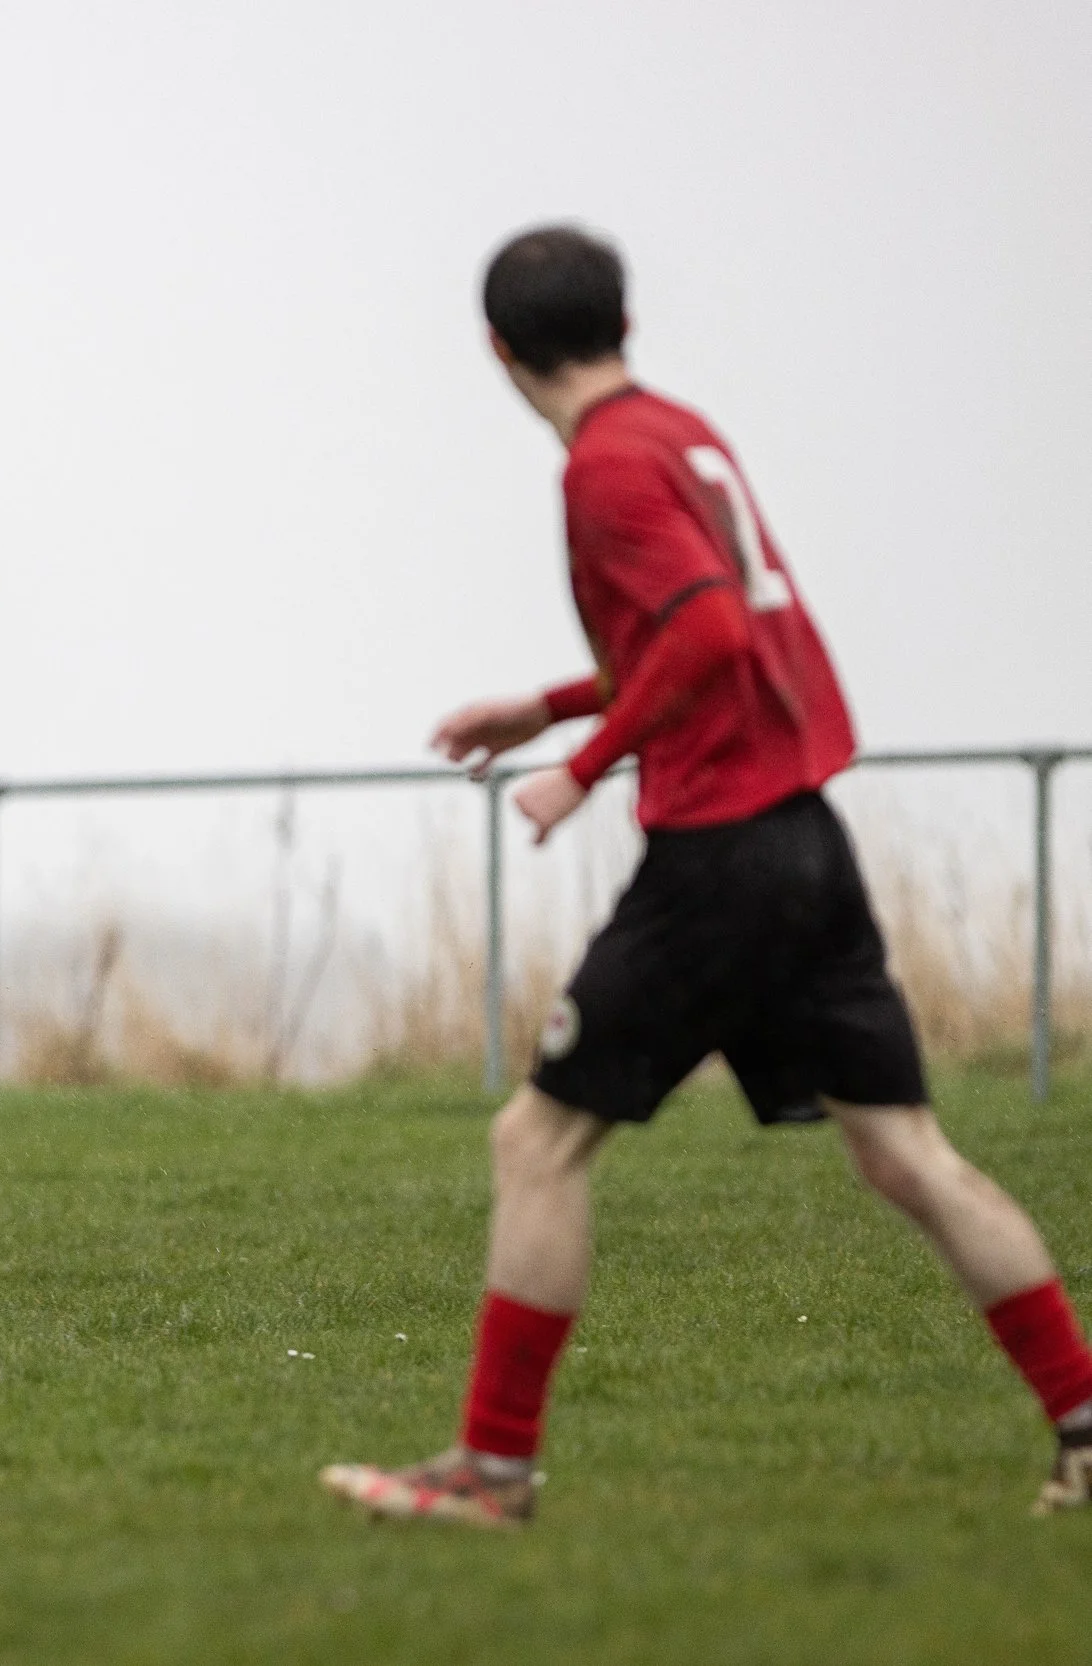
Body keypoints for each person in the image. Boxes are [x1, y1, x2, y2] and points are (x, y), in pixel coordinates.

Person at [320, 225, 1092, 1526]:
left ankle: (493, 1471)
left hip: (723, 853)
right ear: (622, 321)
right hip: (803, 836)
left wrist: (590, 758)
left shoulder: (605, 469)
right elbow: (702, 619)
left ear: (499, 350)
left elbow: (712, 632)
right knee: (907, 1153)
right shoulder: (682, 434)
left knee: (540, 1139)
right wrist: (555, 705)